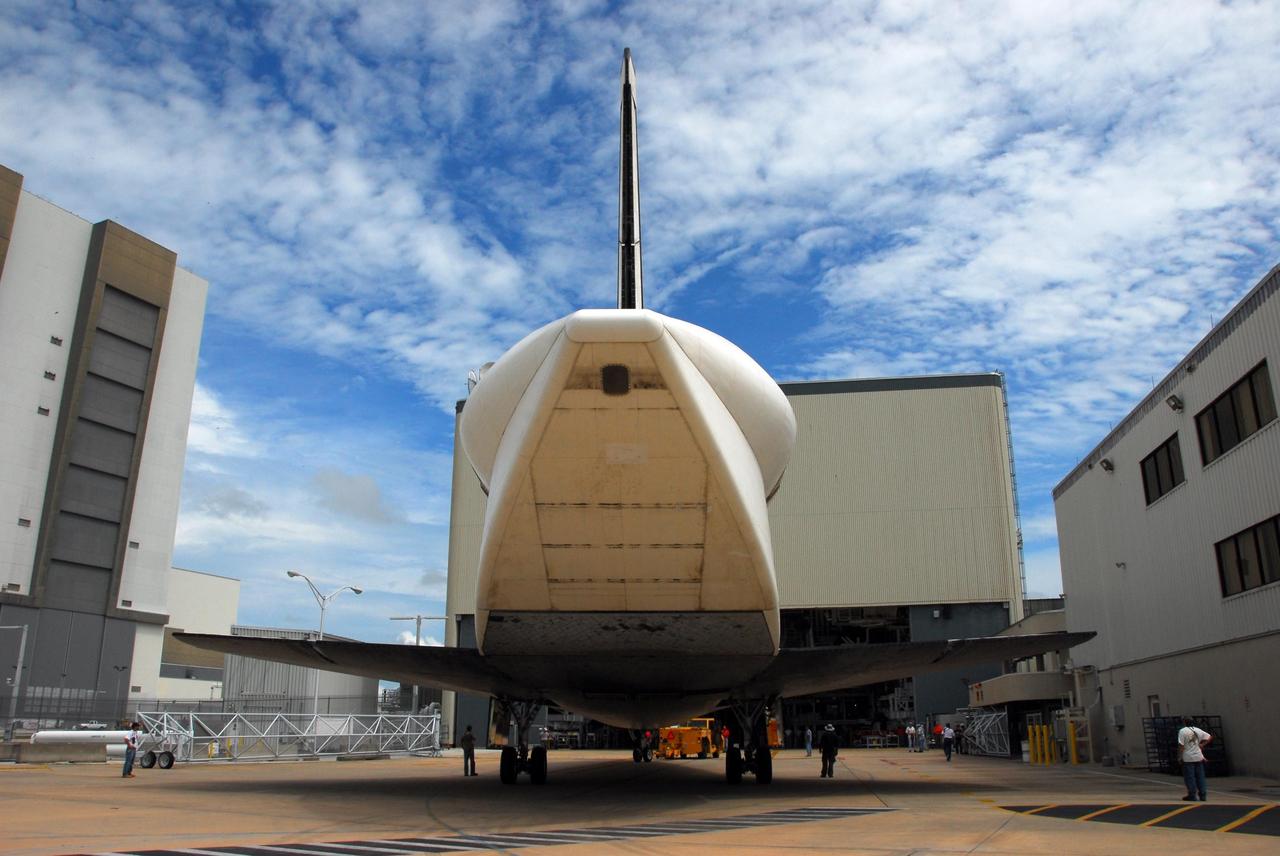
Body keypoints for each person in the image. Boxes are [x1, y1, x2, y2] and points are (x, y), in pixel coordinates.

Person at [1176, 717, 1212, 801]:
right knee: (1200, 776)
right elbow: (1209, 737)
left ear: (1184, 722)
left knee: (1190, 777)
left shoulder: (1182, 731)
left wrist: (1179, 757)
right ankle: (1203, 795)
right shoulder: (1198, 730)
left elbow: (1181, 745)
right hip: (1198, 757)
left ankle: (1192, 795)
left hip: (1188, 757)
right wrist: (1202, 744)